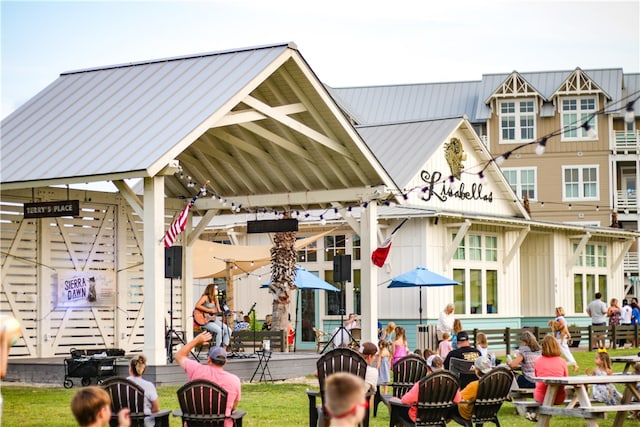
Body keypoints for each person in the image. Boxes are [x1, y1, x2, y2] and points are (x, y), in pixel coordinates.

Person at [175, 332, 241, 427]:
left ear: (209, 359)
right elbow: (233, 408)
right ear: (225, 362)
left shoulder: (195, 369)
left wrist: (196, 341)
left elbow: (179, 356)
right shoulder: (234, 380)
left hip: (194, 424)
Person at [448, 356, 493, 423]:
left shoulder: (474, 385)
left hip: (469, 413)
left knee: (448, 407)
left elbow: (459, 398)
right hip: (490, 411)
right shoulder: (495, 383)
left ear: (476, 370)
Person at [533, 335, 568, 405]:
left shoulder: (537, 361)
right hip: (559, 397)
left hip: (541, 396)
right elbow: (566, 378)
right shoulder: (562, 361)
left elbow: (536, 377)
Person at [194, 284, 232, 349]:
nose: (217, 290)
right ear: (211, 289)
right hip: (203, 320)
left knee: (229, 330)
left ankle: (223, 350)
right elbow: (197, 305)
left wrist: (227, 312)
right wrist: (209, 310)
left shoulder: (215, 299)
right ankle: (217, 351)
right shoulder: (205, 297)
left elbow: (219, 311)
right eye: (215, 289)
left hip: (212, 319)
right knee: (220, 331)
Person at [126, 355, 159, 427]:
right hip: (144, 423)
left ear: (130, 368)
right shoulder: (149, 386)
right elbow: (155, 408)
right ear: (143, 370)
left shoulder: (119, 385)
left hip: (124, 422)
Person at [548, 306, 579, 372]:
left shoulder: (559, 319)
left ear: (559, 312)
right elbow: (565, 327)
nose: (555, 313)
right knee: (561, 350)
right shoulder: (562, 319)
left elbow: (563, 326)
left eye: (556, 311)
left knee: (564, 350)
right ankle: (572, 363)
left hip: (560, 337)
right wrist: (568, 333)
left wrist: (557, 328)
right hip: (560, 337)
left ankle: (572, 363)